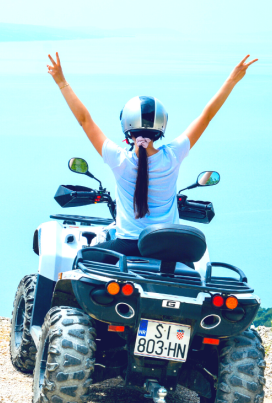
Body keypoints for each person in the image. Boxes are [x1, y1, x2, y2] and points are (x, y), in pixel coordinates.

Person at [46, 52, 257, 257]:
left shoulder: (118, 159)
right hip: (170, 247)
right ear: (161, 128)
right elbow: (207, 116)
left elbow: (85, 120)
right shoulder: (173, 156)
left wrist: (61, 81)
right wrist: (232, 79)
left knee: (81, 257)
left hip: (128, 246)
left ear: (126, 128)